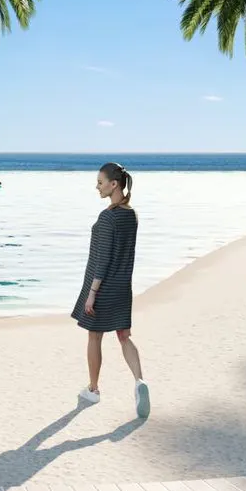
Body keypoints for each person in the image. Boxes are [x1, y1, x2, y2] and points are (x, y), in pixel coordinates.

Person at [71, 162, 149, 418]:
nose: (97, 187)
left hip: (103, 287)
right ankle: (140, 382)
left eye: (100, 182)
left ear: (114, 184)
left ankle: (93, 389)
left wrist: (92, 292)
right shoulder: (131, 215)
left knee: (95, 337)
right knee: (124, 336)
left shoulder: (108, 217)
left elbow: (103, 258)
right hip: (123, 287)